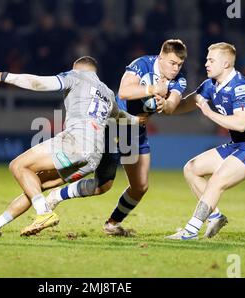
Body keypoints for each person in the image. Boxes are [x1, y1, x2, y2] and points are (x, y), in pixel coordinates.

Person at [0, 56, 148, 237]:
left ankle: (44, 214)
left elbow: (40, 83)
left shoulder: (76, 76)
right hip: (92, 158)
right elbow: (121, 117)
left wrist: (3, 77)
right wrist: (138, 120)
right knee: (36, 184)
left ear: (77, 68)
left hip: (76, 141)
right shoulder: (107, 93)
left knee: (17, 166)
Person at [43, 39, 188, 236]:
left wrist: (165, 104)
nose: (176, 68)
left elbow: (173, 104)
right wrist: (152, 90)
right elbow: (125, 92)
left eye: (180, 64)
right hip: (116, 124)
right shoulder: (142, 64)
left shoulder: (180, 79)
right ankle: (54, 194)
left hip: (137, 130)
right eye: (172, 63)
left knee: (140, 186)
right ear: (161, 58)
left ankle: (112, 224)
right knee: (103, 185)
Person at [165, 42, 245, 240]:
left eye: (211, 60)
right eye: (207, 59)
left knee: (216, 181)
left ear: (226, 64)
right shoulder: (210, 84)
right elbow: (188, 103)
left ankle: (190, 231)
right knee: (191, 169)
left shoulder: (240, 87)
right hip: (238, 145)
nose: (206, 63)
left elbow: (240, 124)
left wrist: (207, 111)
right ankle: (215, 217)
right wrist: (165, 105)